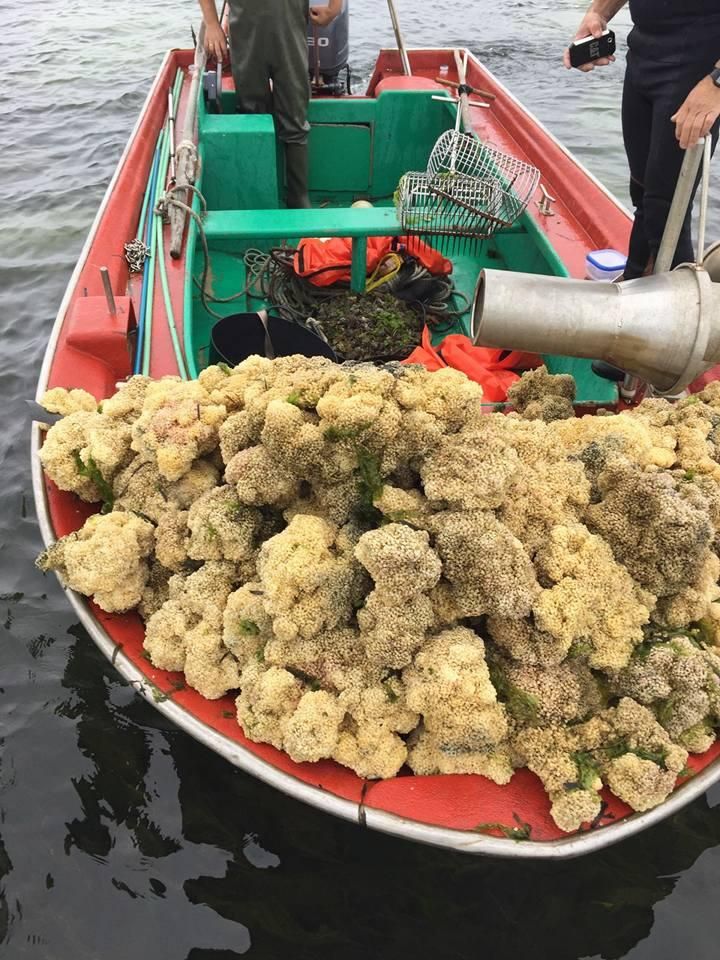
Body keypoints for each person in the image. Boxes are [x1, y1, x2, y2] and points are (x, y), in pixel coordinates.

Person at [564, 1, 720, 281]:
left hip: (699, 68)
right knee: (644, 193)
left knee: (667, 207)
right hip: (643, 55)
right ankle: (636, 279)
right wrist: (598, 13)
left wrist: (717, 83)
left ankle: (681, 315)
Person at [199, 0, 343, 208]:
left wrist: (334, 8)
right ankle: (258, 197)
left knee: (295, 116)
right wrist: (212, 23)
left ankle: (299, 197)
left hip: (290, 34)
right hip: (246, 36)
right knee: (252, 113)